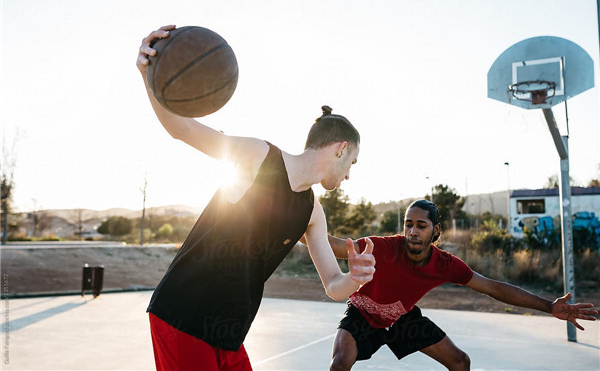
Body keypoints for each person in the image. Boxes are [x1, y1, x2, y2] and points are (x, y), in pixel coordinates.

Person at [136, 25, 376, 371]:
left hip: (227, 331)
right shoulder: (258, 157)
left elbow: (333, 285)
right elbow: (183, 129)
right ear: (341, 149)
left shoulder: (312, 211)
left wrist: (354, 278)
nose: (350, 174)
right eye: (352, 162)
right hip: (183, 314)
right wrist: (149, 73)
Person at [323, 199, 598, 371]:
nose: (413, 231)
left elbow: (493, 288)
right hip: (363, 313)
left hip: (400, 318)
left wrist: (549, 306)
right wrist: (297, 226)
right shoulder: (383, 247)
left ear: (436, 231)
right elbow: (335, 246)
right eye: (408, 224)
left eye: (421, 225)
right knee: (339, 365)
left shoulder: (445, 264)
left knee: (460, 362)